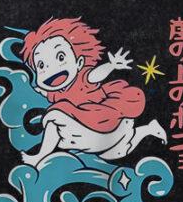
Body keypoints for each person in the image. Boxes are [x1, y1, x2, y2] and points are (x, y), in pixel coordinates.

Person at [20, 16, 166, 164]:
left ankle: (41, 156)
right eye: (41, 65)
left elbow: (95, 75)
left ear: (79, 63)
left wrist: (111, 65)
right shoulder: (54, 92)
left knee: (54, 116)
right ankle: (149, 129)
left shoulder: (82, 78)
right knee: (117, 152)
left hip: (99, 117)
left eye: (61, 57)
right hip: (93, 132)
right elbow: (42, 90)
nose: (51, 69)